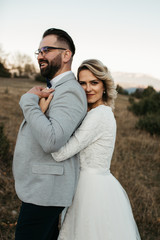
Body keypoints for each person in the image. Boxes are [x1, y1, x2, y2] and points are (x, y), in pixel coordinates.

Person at [40, 59, 141, 240]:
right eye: (83, 83)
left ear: (104, 85)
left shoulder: (99, 115)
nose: (88, 88)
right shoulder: (98, 111)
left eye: (94, 82)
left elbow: (60, 153)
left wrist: (43, 117)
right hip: (94, 183)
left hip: (90, 190)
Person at [13, 28, 87, 240]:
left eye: (46, 49)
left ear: (66, 55)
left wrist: (27, 102)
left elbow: (52, 140)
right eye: (38, 51)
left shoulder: (70, 91)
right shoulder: (56, 88)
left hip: (46, 191)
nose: (40, 56)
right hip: (41, 188)